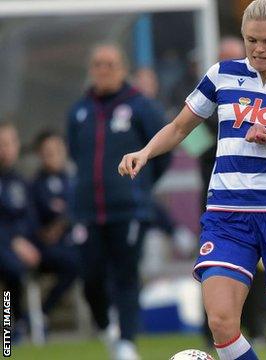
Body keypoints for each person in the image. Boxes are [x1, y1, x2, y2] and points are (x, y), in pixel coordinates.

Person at [117, 1, 266, 359]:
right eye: (251, 40)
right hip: (226, 215)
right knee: (221, 324)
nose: (258, 49)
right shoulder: (222, 74)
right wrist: (145, 152)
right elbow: (179, 127)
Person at [67, 43, 171, 360]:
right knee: (90, 278)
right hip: (87, 211)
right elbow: (75, 152)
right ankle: (105, 327)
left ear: (123, 69)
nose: (104, 69)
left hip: (128, 210)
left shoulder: (142, 107)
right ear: (91, 69)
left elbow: (161, 151)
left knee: (126, 275)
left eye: (110, 64)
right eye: (98, 64)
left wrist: (141, 186)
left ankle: (126, 342)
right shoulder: (79, 110)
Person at [31, 130, 81, 321]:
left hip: (74, 242)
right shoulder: (35, 186)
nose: (53, 156)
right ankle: (41, 313)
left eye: (57, 150)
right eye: (48, 152)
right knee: (74, 263)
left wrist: (65, 219)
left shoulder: (73, 180)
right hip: (48, 248)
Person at [0, 122, 40, 337]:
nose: (6, 149)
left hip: (20, 250)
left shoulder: (21, 183)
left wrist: (29, 243)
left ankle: (27, 323)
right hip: (7, 249)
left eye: (10, 143)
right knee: (12, 270)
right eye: (1, 144)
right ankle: (12, 326)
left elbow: (31, 220)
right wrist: (14, 240)